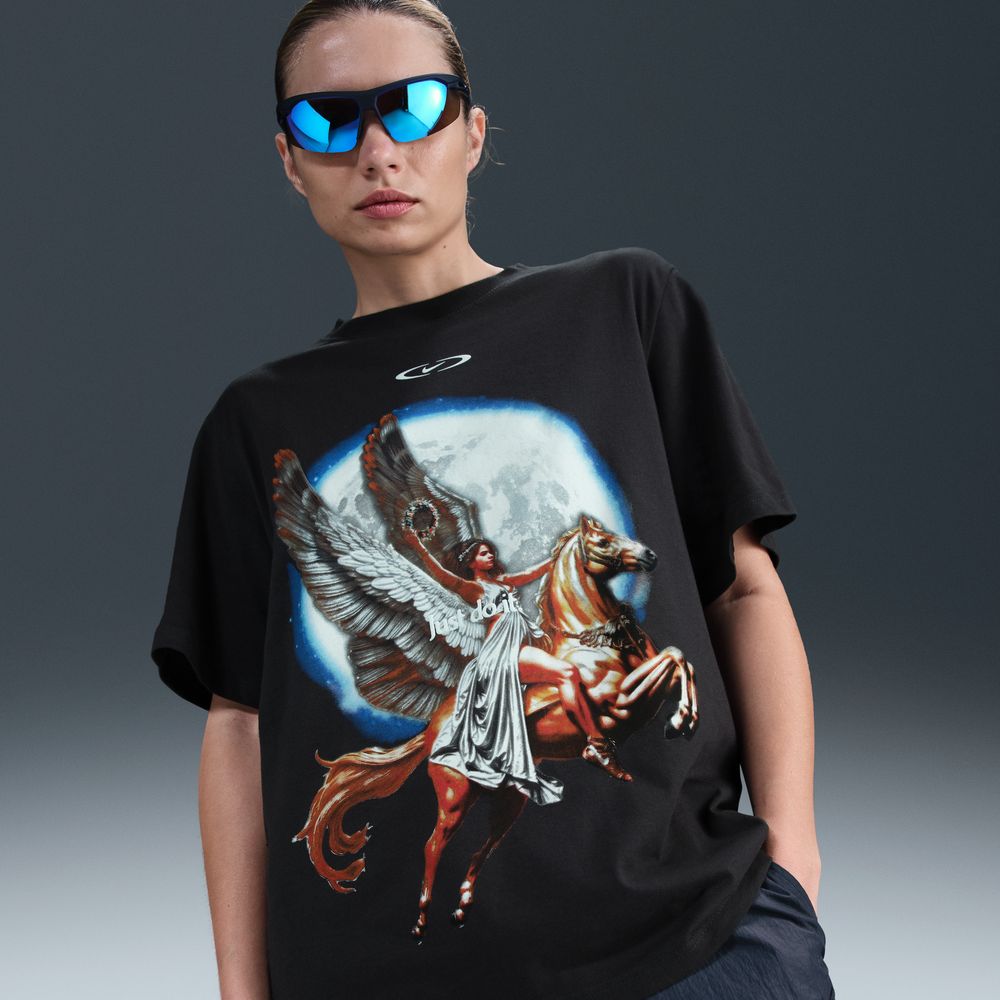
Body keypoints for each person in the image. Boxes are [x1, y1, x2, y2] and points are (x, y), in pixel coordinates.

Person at [150, 2, 835, 998]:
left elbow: (744, 591)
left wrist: (793, 865)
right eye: (328, 120)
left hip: (697, 951)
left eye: (413, 106)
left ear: (472, 132)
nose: (378, 150)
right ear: (290, 161)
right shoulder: (255, 419)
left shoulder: (625, 305)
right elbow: (238, 724)